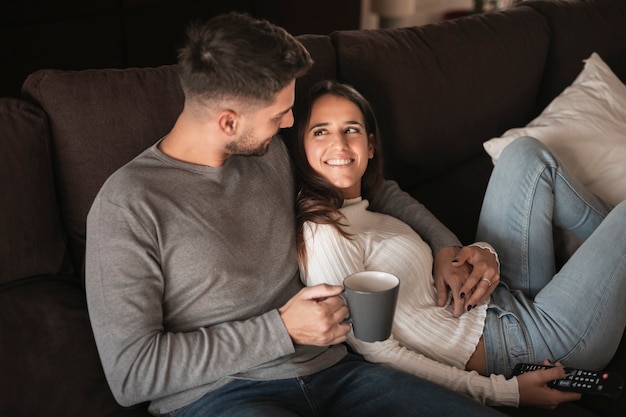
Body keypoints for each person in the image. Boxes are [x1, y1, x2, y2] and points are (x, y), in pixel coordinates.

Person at [84, 12, 506, 417]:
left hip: (337, 373)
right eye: (278, 114)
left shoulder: (269, 154)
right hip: (219, 396)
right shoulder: (129, 204)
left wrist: (445, 245)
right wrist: (281, 330)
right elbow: (131, 374)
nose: (290, 123)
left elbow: (377, 187)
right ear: (228, 122)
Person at [293, 80, 626, 408]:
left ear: (370, 146)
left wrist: (485, 253)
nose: (339, 143)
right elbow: (377, 351)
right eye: (320, 131)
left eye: (350, 129)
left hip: (495, 300)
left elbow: (447, 263)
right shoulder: (324, 232)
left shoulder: (369, 207)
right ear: (301, 148)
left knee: (525, 155)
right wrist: (504, 392)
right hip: (524, 344)